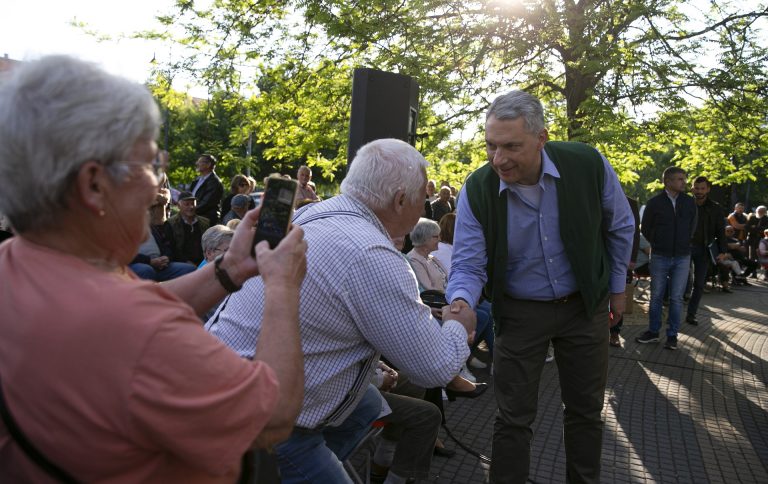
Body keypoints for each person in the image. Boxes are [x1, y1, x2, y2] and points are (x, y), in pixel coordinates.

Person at [0, 55, 308, 482]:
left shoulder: (20, 260)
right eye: (149, 164)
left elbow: (126, 312)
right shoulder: (140, 332)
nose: (156, 185)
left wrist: (230, 268)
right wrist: (283, 287)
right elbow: (273, 418)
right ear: (94, 184)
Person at [206, 138, 478, 484]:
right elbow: (435, 368)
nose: (426, 203)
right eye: (423, 195)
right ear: (399, 200)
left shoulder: (310, 213)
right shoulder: (373, 253)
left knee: (366, 403)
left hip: (220, 379)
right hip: (267, 420)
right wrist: (458, 325)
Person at [446, 90, 634, 484]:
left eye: (511, 146)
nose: (499, 159)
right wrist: (461, 301)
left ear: (541, 138)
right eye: (491, 146)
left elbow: (619, 226)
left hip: (584, 306)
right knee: (512, 418)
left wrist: (616, 289)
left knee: (585, 411)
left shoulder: (587, 163)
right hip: (519, 310)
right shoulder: (477, 189)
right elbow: (467, 262)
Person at [636, 167, 697, 350]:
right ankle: (653, 332)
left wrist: (685, 241)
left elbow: (693, 225)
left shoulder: (689, 202)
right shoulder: (654, 203)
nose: (684, 182)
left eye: (684, 179)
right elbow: (645, 228)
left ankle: (672, 336)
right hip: (660, 255)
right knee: (656, 297)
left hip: (682, 256)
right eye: (680, 179)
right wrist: (658, 241)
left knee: (677, 298)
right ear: (668, 182)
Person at [685, 176, 727, 326]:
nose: (699, 191)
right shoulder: (684, 203)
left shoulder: (715, 208)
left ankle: (691, 314)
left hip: (704, 249)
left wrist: (722, 250)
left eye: (703, 188)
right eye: (697, 188)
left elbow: (720, 231)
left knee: (700, 284)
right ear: (692, 188)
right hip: (684, 248)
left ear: (708, 189)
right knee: (681, 281)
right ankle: (674, 312)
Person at [165, 191, 210, 265]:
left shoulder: (205, 222)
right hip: (181, 262)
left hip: (204, 260)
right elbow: (172, 248)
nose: (191, 207)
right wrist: (185, 261)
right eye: (187, 204)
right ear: (179, 206)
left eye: (193, 204)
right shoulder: (171, 223)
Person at [189, 153, 224, 224]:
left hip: (206, 219)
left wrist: (189, 211)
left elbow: (206, 203)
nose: (197, 163)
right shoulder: (197, 180)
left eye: (200, 162)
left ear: (208, 165)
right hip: (194, 217)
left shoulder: (214, 182)